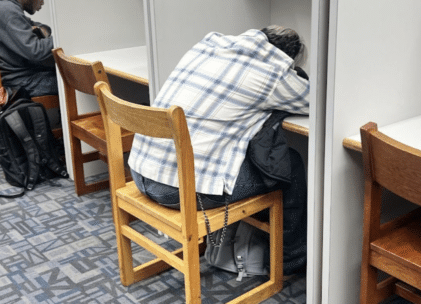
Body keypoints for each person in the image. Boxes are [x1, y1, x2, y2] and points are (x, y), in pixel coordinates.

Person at [127, 26, 310, 273]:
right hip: (177, 191)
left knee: (243, 154)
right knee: (291, 164)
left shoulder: (206, 46)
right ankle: (290, 262)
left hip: (139, 173)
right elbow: (316, 100)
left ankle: (247, 241)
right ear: (287, 59)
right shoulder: (274, 73)